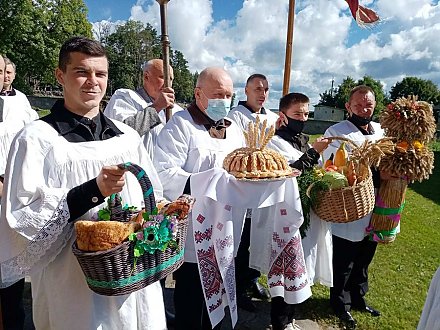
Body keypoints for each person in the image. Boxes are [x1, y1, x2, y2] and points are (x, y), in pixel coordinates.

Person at [0, 37, 167, 329]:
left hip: (132, 277)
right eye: (81, 72)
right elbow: (20, 222)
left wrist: (163, 212)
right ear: (60, 75)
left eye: (100, 74)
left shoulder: (127, 137)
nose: (92, 81)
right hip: (72, 285)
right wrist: (93, 192)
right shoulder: (36, 140)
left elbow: (152, 196)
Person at [154, 67, 245, 330]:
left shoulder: (234, 128)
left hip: (227, 224)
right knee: (192, 298)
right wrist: (206, 180)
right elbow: (163, 171)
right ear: (198, 93)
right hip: (196, 228)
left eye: (229, 95)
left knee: (219, 296)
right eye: (218, 94)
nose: (224, 101)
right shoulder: (181, 125)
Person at [265, 92, 331, 330]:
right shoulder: (274, 141)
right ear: (283, 115)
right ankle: (280, 320)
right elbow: (289, 171)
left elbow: (314, 171)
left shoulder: (303, 139)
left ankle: (291, 315)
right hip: (286, 214)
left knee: (301, 262)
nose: (302, 118)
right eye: (297, 114)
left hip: (308, 211)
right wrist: (314, 153)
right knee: (286, 265)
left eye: (305, 113)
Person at [323, 85, 383, 329]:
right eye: (358, 105)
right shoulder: (336, 131)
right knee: (345, 256)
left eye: (368, 104)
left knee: (366, 254)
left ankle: (358, 296)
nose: (363, 109)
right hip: (351, 203)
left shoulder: (380, 130)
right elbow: (330, 165)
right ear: (348, 106)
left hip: (378, 200)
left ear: (374, 105)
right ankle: (340, 301)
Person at [226, 73, 278, 311]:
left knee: (260, 238)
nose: (262, 94)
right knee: (241, 241)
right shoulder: (235, 117)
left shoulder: (275, 118)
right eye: (257, 89)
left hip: (266, 190)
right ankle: (236, 287)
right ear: (246, 91)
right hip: (245, 189)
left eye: (266, 89)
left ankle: (252, 279)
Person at [0, 54, 38, 330]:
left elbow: (32, 138)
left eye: (5, 71)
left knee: (10, 264)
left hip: (10, 188)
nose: (3, 76)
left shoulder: (21, 101)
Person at [105, 59, 182, 160]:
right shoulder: (125, 97)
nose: (168, 84)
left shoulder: (177, 111)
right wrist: (157, 107)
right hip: (134, 171)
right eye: (163, 77)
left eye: (171, 79)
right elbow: (123, 133)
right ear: (146, 76)